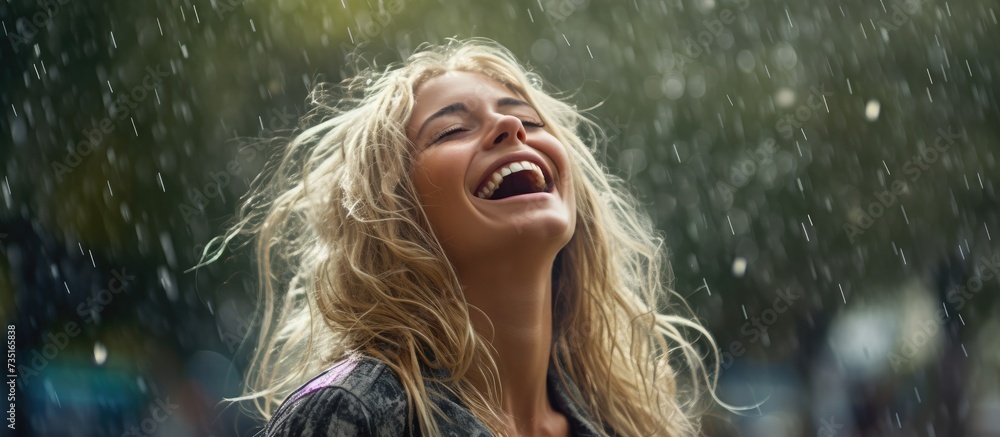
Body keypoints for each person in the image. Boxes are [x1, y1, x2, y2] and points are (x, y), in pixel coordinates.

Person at [205, 37, 723, 436]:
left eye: (526, 119)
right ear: (394, 210)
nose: (510, 129)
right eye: (451, 130)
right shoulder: (350, 414)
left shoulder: (624, 425)